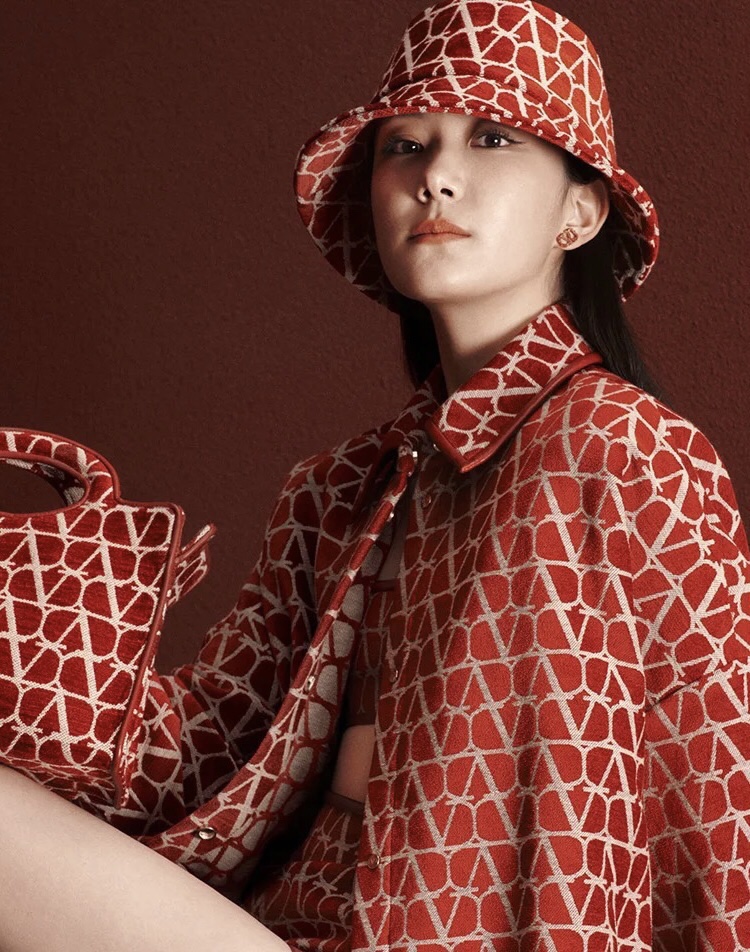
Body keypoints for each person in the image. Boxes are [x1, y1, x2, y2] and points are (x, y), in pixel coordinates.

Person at [0, 1, 748, 950]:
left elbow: (716, 789)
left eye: (492, 138)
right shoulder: (340, 489)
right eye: (406, 146)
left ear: (580, 211)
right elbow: (189, 757)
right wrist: (44, 622)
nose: (437, 176)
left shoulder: (624, 447)